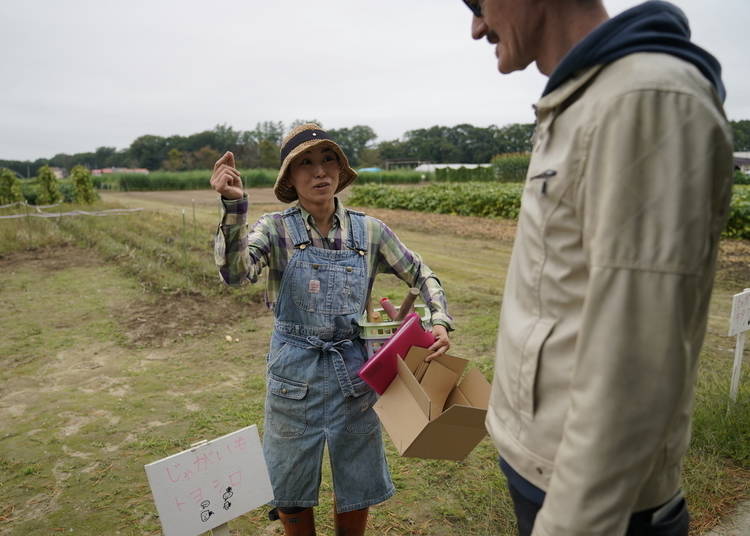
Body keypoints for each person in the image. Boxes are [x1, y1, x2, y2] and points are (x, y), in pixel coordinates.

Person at [459, 0, 734, 535]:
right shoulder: (588, 97)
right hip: (542, 467)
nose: (476, 27)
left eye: (477, 2)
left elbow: (635, 365)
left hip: (589, 501)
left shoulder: (645, 99)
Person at [210, 123, 453, 536]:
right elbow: (236, 274)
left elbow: (420, 273)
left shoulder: (369, 231)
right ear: (289, 178)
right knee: (289, 483)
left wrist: (439, 321)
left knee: (356, 481)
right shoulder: (275, 229)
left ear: (340, 171)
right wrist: (234, 208)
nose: (319, 171)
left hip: (354, 375)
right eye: (305, 163)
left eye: (328, 161)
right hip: (293, 376)